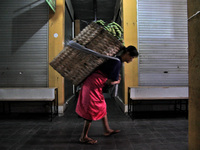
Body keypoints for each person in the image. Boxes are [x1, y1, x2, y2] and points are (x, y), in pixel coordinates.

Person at [75, 45, 139, 144]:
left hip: (93, 83)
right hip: (93, 85)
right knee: (91, 110)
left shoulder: (116, 60)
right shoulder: (117, 62)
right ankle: (83, 137)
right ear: (127, 54)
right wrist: (117, 82)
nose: (131, 60)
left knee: (103, 106)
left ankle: (106, 130)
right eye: (131, 57)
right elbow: (109, 82)